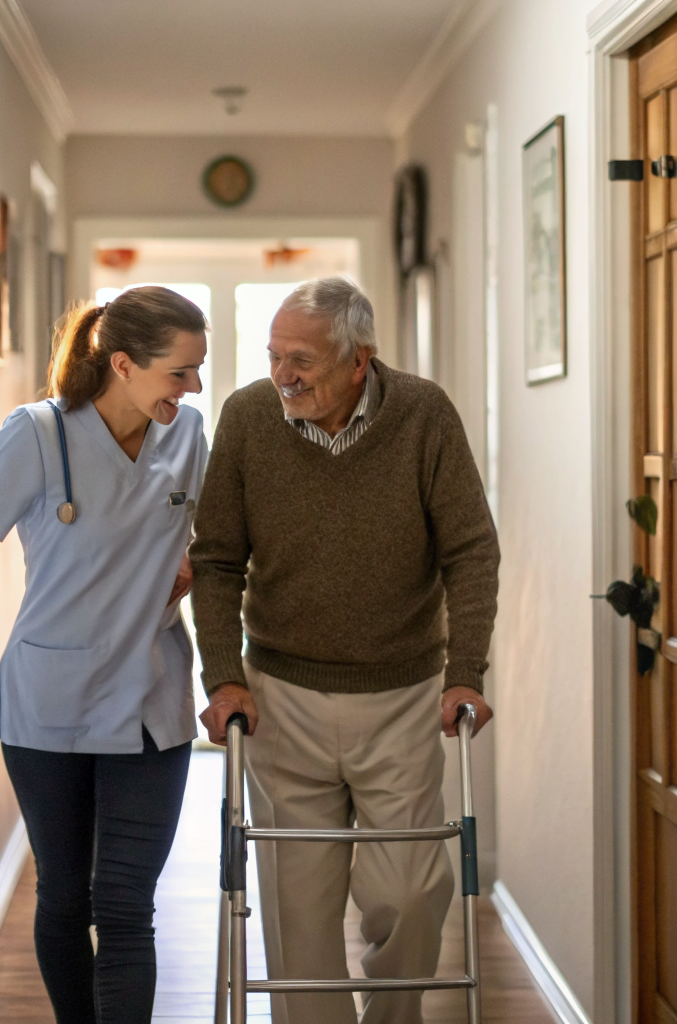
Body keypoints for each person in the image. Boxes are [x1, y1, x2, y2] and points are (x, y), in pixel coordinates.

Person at [0, 286, 210, 1024]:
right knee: (65, 895)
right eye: (179, 372)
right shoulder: (37, 434)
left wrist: (187, 574)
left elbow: (207, 546)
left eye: (197, 372)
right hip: (49, 701)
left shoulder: (188, 436)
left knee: (126, 904)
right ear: (123, 364)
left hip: (153, 700)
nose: (192, 389)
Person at [190, 277, 500, 1024]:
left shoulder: (423, 414)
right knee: (300, 916)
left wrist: (465, 673)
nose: (283, 377)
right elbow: (218, 558)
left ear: (358, 361)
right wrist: (223, 677)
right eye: (273, 357)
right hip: (281, 696)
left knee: (409, 895)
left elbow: (470, 551)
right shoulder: (248, 417)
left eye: (301, 360)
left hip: (401, 697)